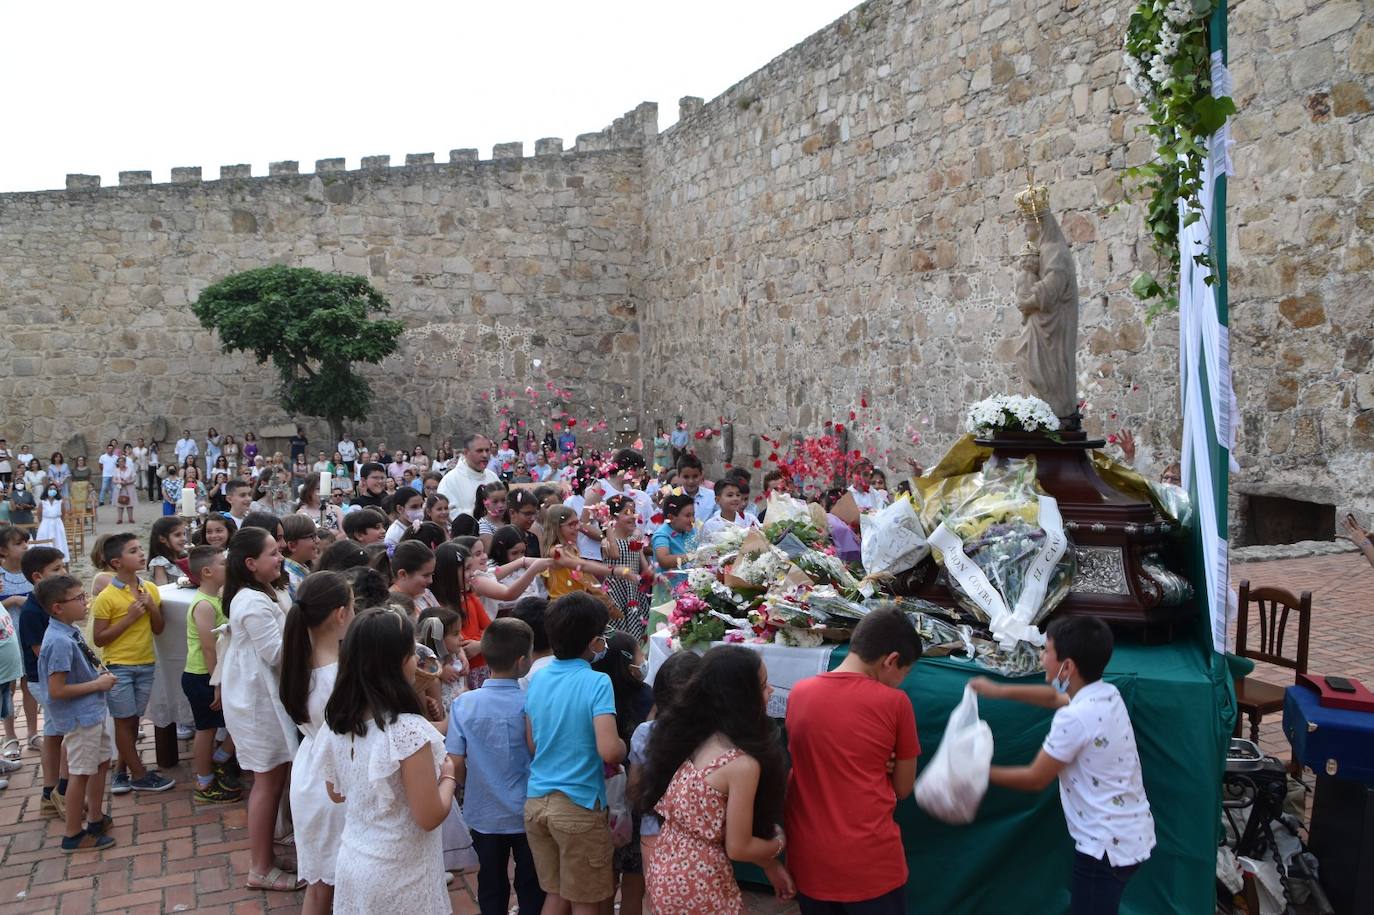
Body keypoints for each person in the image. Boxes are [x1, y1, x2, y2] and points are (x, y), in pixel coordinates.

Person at [971, 616, 1155, 915]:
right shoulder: (1106, 694)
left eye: (1046, 651)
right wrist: (999, 690)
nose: (1042, 657)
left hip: (1103, 849)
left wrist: (976, 770)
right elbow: (1053, 697)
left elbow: (1034, 778)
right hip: (1131, 836)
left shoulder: (1074, 719)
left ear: (1067, 667)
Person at [636, 646, 794, 913]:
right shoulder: (742, 764)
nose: (771, 692)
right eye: (764, 686)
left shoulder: (697, 736)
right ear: (741, 698)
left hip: (667, 867)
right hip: (699, 878)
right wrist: (778, 844)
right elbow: (739, 847)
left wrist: (769, 866)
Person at [784, 608, 922, 914]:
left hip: (810, 858)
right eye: (905, 672)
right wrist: (889, 766)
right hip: (869, 863)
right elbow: (903, 788)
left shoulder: (799, 693)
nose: (902, 682)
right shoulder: (895, 703)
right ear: (891, 660)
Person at [320, 608, 456, 914]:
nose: (416, 660)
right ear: (394, 663)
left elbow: (335, 792)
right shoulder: (406, 729)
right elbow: (430, 815)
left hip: (354, 861)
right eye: (411, 653)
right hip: (401, 872)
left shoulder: (338, 721)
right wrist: (448, 775)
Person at [524, 592, 626, 914]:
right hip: (579, 807)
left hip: (537, 803)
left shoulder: (538, 678)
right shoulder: (597, 682)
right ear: (595, 642)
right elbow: (609, 750)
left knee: (556, 894)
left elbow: (533, 744)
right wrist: (623, 745)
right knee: (585, 901)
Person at [220, 527, 303, 892]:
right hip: (256, 701)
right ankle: (260, 867)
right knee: (266, 782)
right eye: (272, 552)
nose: (280, 555)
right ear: (251, 563)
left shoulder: (266, 591)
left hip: (267, 695)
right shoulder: (250, 601)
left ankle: (270, 847)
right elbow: (276, 653)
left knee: (277, 776)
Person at [446, 617, 544, 915]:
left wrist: (471, 785)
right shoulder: (531, 701)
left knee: (490, 884)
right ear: (521, 661)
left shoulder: (464, 704)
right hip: (528, 809)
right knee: (532, 885)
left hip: (483, 810)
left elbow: (456, 761)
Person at [280, 571, 354, 914]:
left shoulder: (299, 663)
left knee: (319, 884)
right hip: (336, 781)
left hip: (310, 772)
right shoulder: (338, 676)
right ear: (341, 614)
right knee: (335, 882)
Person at [36, 574, 119, 852]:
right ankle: (73, 833)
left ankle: (95, 818)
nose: (87, 602)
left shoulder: (68, 631)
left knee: (100, 762)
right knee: (80, 774)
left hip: (91, 712)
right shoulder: (59, 641)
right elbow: (57, 690)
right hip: (79, 718)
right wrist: (97, 683)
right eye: (80, 598)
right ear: (58, 607)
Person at [89, 533, 175, 794]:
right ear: (116, 562)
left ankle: (121, 772)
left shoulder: (149, 589)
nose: (141, 554)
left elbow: (158, 629)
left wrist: (151, 607)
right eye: (133, 551)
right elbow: (100, 639)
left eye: (140, 549)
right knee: (123, 720)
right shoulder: (107, 597)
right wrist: (128, 619)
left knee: (132, 721)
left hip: (145, 662)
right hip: (119, 667)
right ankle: (139, 775)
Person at [626, 650, 701, 896]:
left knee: (660, 901)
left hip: (653, 832)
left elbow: (634, 792)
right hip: (701, 839)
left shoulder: (644, 733)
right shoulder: (712, 737)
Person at [592, 630, 653, 915]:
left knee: (603, 881)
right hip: (637, 797)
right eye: (641, 653)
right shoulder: (647, 698)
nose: (645, 660)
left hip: (600, 796)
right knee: (633, 883)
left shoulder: (594, 694)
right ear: (629, 662)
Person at [180, 545, 241, 805]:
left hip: (213, 675)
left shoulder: (216, 597)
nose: (227, 568)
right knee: (205, 729)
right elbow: (208, 646)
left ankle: (219, 759)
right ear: (207, 572)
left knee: (233, 721)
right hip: (202, 675)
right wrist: (217, 683)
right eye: (223, 564)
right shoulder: (204, 604)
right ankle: (203, 781)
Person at [15, 544, 69, 808]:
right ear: (38, 577)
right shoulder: (33, 611)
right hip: (45, 680)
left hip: (50, 679)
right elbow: (43, 654)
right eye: (56, 569)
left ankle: (50, 792)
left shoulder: (49, 602)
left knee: (54, 733)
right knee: (70, 732)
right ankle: (65, 790)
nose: (64, 572)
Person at [541, 506, 636, 607]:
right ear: (557, 527)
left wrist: (606, 523)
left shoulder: (573, 548)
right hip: (562, 608)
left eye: (577, 523)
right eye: (571, 524)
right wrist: (616, 571)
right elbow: (582, 565)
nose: (577, 528)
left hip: (578, 604)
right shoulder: (555, 551)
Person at [437, 434, 502, 517]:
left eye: (487, 450)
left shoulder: (493, 477)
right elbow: (448, 514)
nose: (485, 455)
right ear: (466, 452)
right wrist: (478, 513)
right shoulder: (449, 481)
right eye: (479, 451)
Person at [699, 478, 758, 543]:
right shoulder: (710, 525)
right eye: (730, 495)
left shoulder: (750, 519)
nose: (735, 498)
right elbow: (704, 549)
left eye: (738, 495)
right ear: (717, 500)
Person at [281, 515, 321, 599]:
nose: (318, 540)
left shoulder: (302, 569)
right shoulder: (290, 578)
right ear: (292, 546)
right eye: (312, 537)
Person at [146, 516, 187, 586]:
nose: (184, 538)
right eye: (177, 535)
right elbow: (163, 591)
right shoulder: (160, 563)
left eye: (184, 534)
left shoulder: (184, 555)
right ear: (162, 539)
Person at [675, 455, 715, 521]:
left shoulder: (712, 496)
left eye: (695, 476)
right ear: (678, 475)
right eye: (686, 477)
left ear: (701, 474)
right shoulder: (673, 497)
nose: (691, 481)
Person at [37, 483, 70, 561]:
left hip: (57, 524)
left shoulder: (60, 502)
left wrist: (58, 523)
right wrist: (45, 523)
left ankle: (60, 559)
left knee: (58, 542)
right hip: (45, 524)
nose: (52, 490)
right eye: (50, 489)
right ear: (47, 491)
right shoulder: (42, 502)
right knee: (45, 542)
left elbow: (63, 514)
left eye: (54, 489)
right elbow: (39, 515)